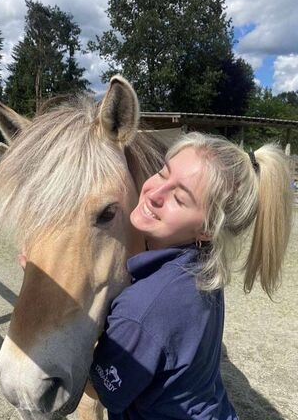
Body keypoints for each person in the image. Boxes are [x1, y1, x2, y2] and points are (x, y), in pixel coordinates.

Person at [86, 132, 293, 420]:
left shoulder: (141, 308)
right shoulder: (202, 267)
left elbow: (101, 391)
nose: (154, 193)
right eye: (163, 172)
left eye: (179, 198)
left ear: (207, 229)